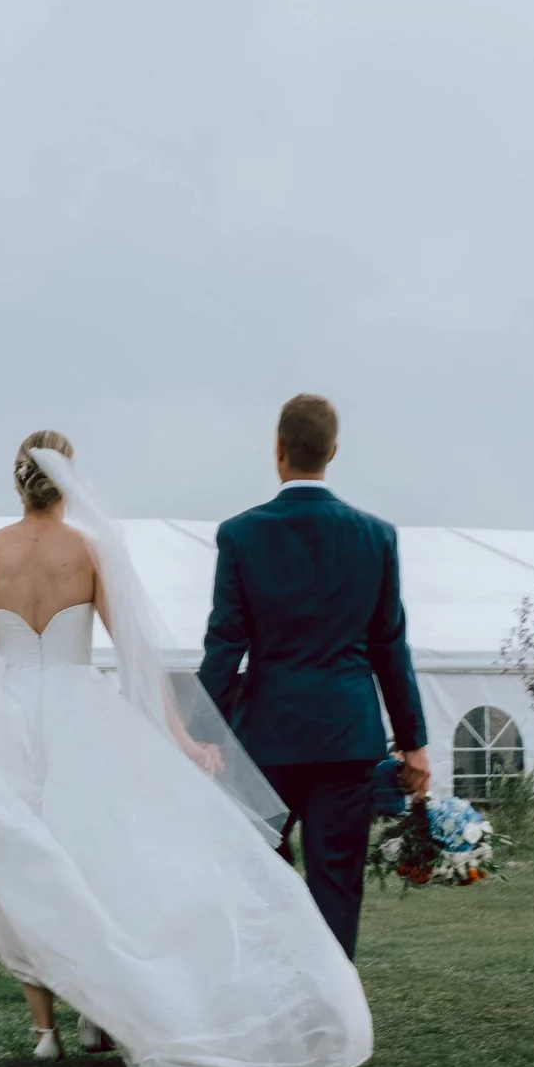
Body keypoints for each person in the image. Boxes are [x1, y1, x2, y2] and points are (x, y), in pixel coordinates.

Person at [0, 429, 372, 1067]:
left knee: (27, 865)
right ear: (69, 481)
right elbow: (135, 651)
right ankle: (99, 1011)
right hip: (82, 714)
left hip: (9, 718)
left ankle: (44, 1032)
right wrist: (181, 738)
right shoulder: (92, 552)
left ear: (17, 480)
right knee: (100, 861)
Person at [198, 394, 429, 960]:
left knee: (259, 874)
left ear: (278, 451)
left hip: (267, 738)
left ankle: (275, 995)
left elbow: (226, 643)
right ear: (333, 451)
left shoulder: (241, 535)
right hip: (347, 736)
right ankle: (330, 1019)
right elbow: (389, 646)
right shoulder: (376, 537)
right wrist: (414, 743)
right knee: (337, 883)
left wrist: (202, 732)